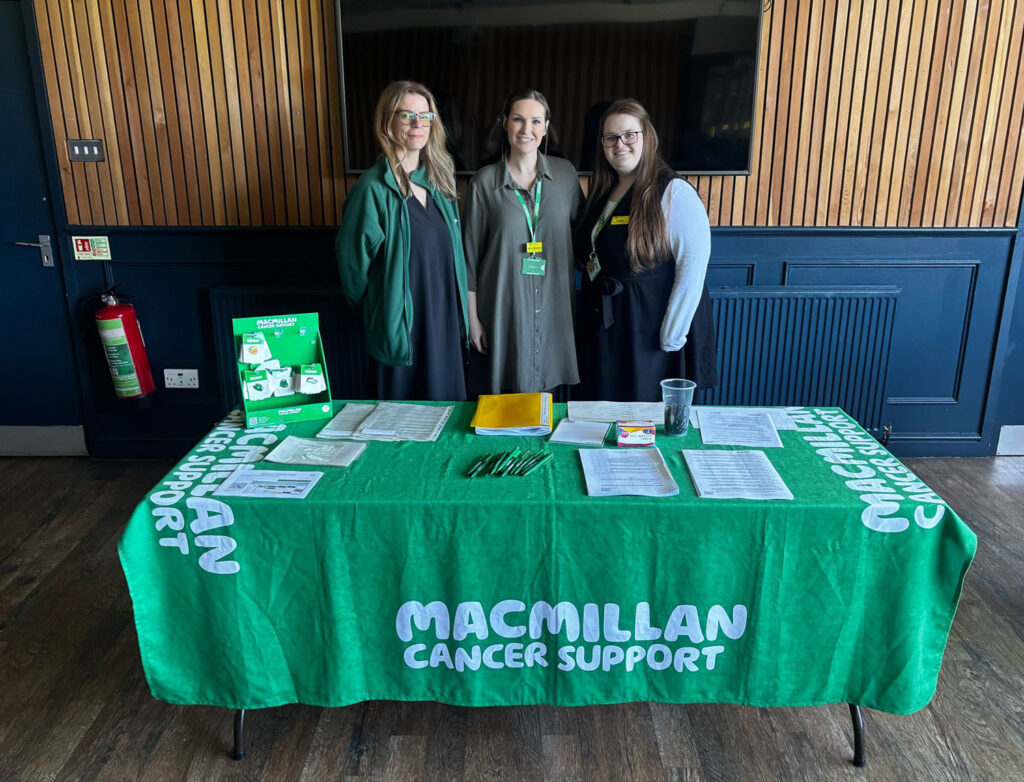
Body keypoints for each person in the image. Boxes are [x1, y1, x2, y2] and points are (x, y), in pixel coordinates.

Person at [573, 98, 717, 402]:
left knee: (642, 419)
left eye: (629, 135)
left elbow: (692, 266)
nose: (619, 144)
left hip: (651, 330)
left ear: (646, 137)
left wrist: (672, 334)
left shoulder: (673, 191)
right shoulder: (604, 191)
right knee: (605, 411)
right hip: (610, 327)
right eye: (610, 138)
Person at [336, 81, 468, 401]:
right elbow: (353, 272)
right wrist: (385, 309)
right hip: (403, 331)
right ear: (387, 122)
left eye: (425, 115)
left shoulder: (440, 182)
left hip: (444, 323)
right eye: (407, 115)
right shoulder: (372, 189)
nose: (418, 124)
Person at [463, 89, 583, 395]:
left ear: (545, 127)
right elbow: (469, 260)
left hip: (555, 308)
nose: (526, 129)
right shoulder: (483, 182)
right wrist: (472, 320)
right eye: (518, 119)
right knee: (502, 395)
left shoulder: (566, 176)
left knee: (549, 402)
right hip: (502, 310)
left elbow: (585, 237)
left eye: (535, 121)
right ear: (505, 123)